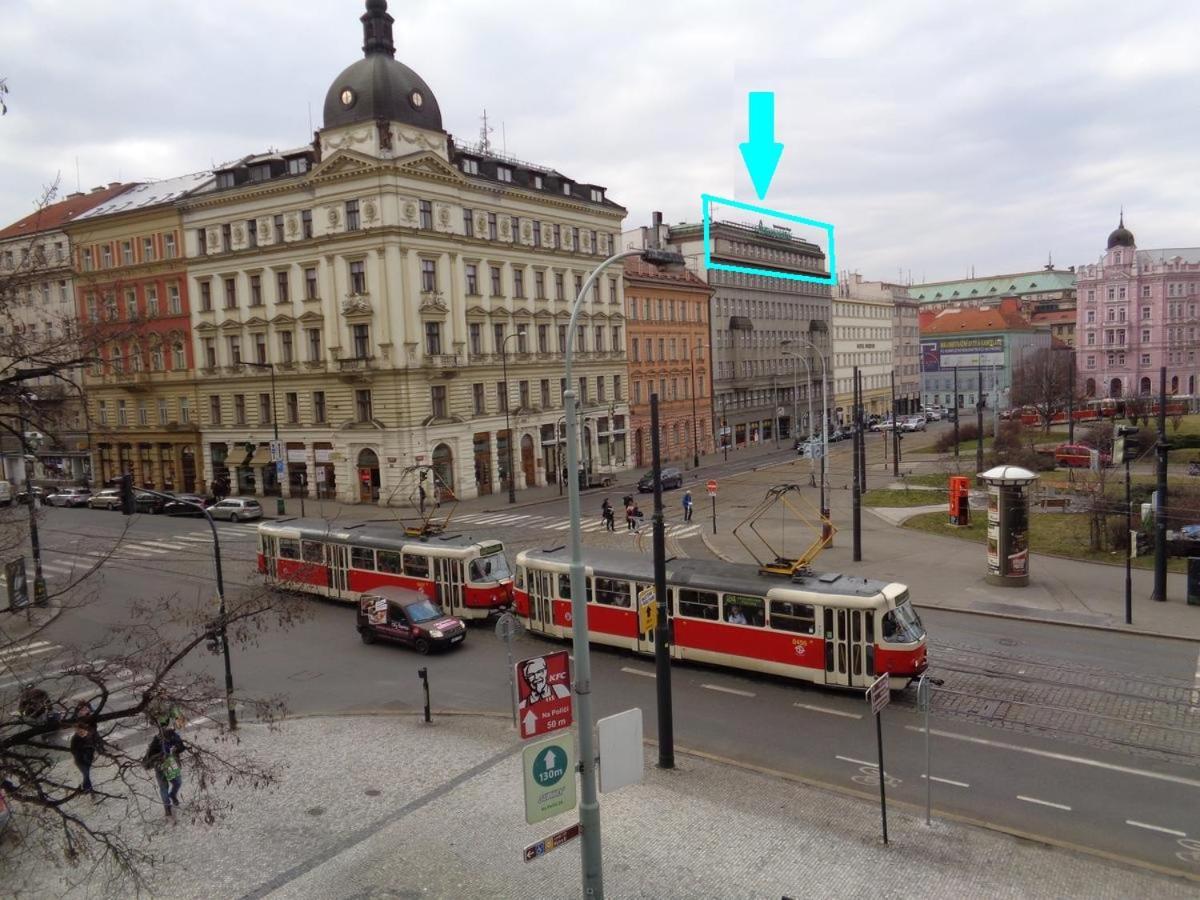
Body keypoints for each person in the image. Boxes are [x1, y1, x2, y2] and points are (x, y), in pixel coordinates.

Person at [143, 728, 186, 820]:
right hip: (160, 768)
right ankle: (167, 807)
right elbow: (149, 757)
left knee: (178, 782)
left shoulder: (174, 736)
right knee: (164, 788)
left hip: (172, 765)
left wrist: (176, 749)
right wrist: (160, 758)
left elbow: (182, 747)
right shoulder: (156, 740)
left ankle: (173, 795)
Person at [69, 721, 100, 794]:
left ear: (84, 730)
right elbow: (73, 750)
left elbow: (93, 747)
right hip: (80, 760)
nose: (80, 732)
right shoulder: (75, 739)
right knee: (86, 774)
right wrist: (81, 751)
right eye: (78, 731)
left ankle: (88, 789)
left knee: (86, 774)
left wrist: (92, 753)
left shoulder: (89, 736)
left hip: (88, 759)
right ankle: (88, 789)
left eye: (81, 731)